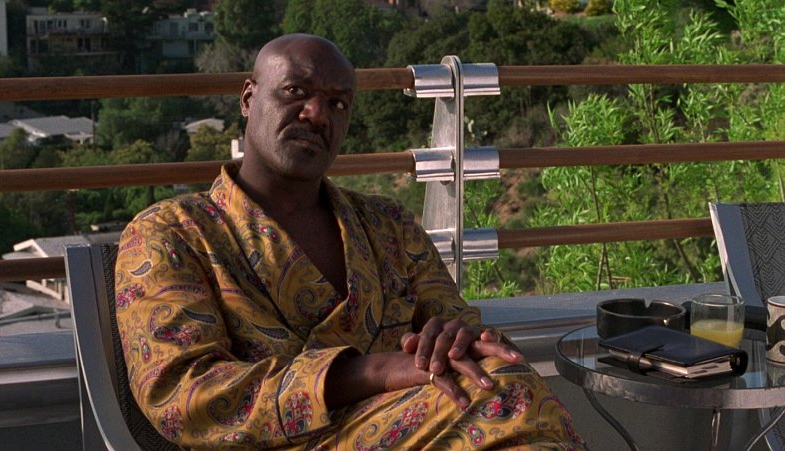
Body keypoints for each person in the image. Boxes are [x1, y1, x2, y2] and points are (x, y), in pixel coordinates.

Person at [114, 33, 585, 449]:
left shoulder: (388, 225)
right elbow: (179, 397)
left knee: (499, 383)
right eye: (296, 91)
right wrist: (373, 371)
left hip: (416, 427)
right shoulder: (173, 233)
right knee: (509, 396)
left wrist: (455, 338)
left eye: (338, 104)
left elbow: (463, 329)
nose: (317, 114)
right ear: (248, 98)